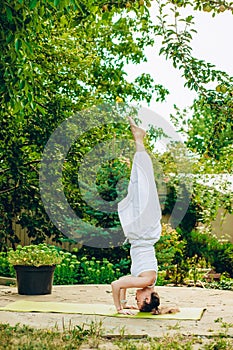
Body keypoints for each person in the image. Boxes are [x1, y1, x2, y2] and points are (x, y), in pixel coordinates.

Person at [111, 117, 162, 315]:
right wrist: (119, 309)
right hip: (144, 230)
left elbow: (123, 284)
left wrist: (124, 303)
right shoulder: (146, 281)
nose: (137, 299)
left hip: (142, 231)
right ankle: (139, 139)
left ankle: (139, 139)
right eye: (140, 302)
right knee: (143, 184)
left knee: (138, 185)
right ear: (148, 298)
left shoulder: (147, 281)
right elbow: (116, 284)